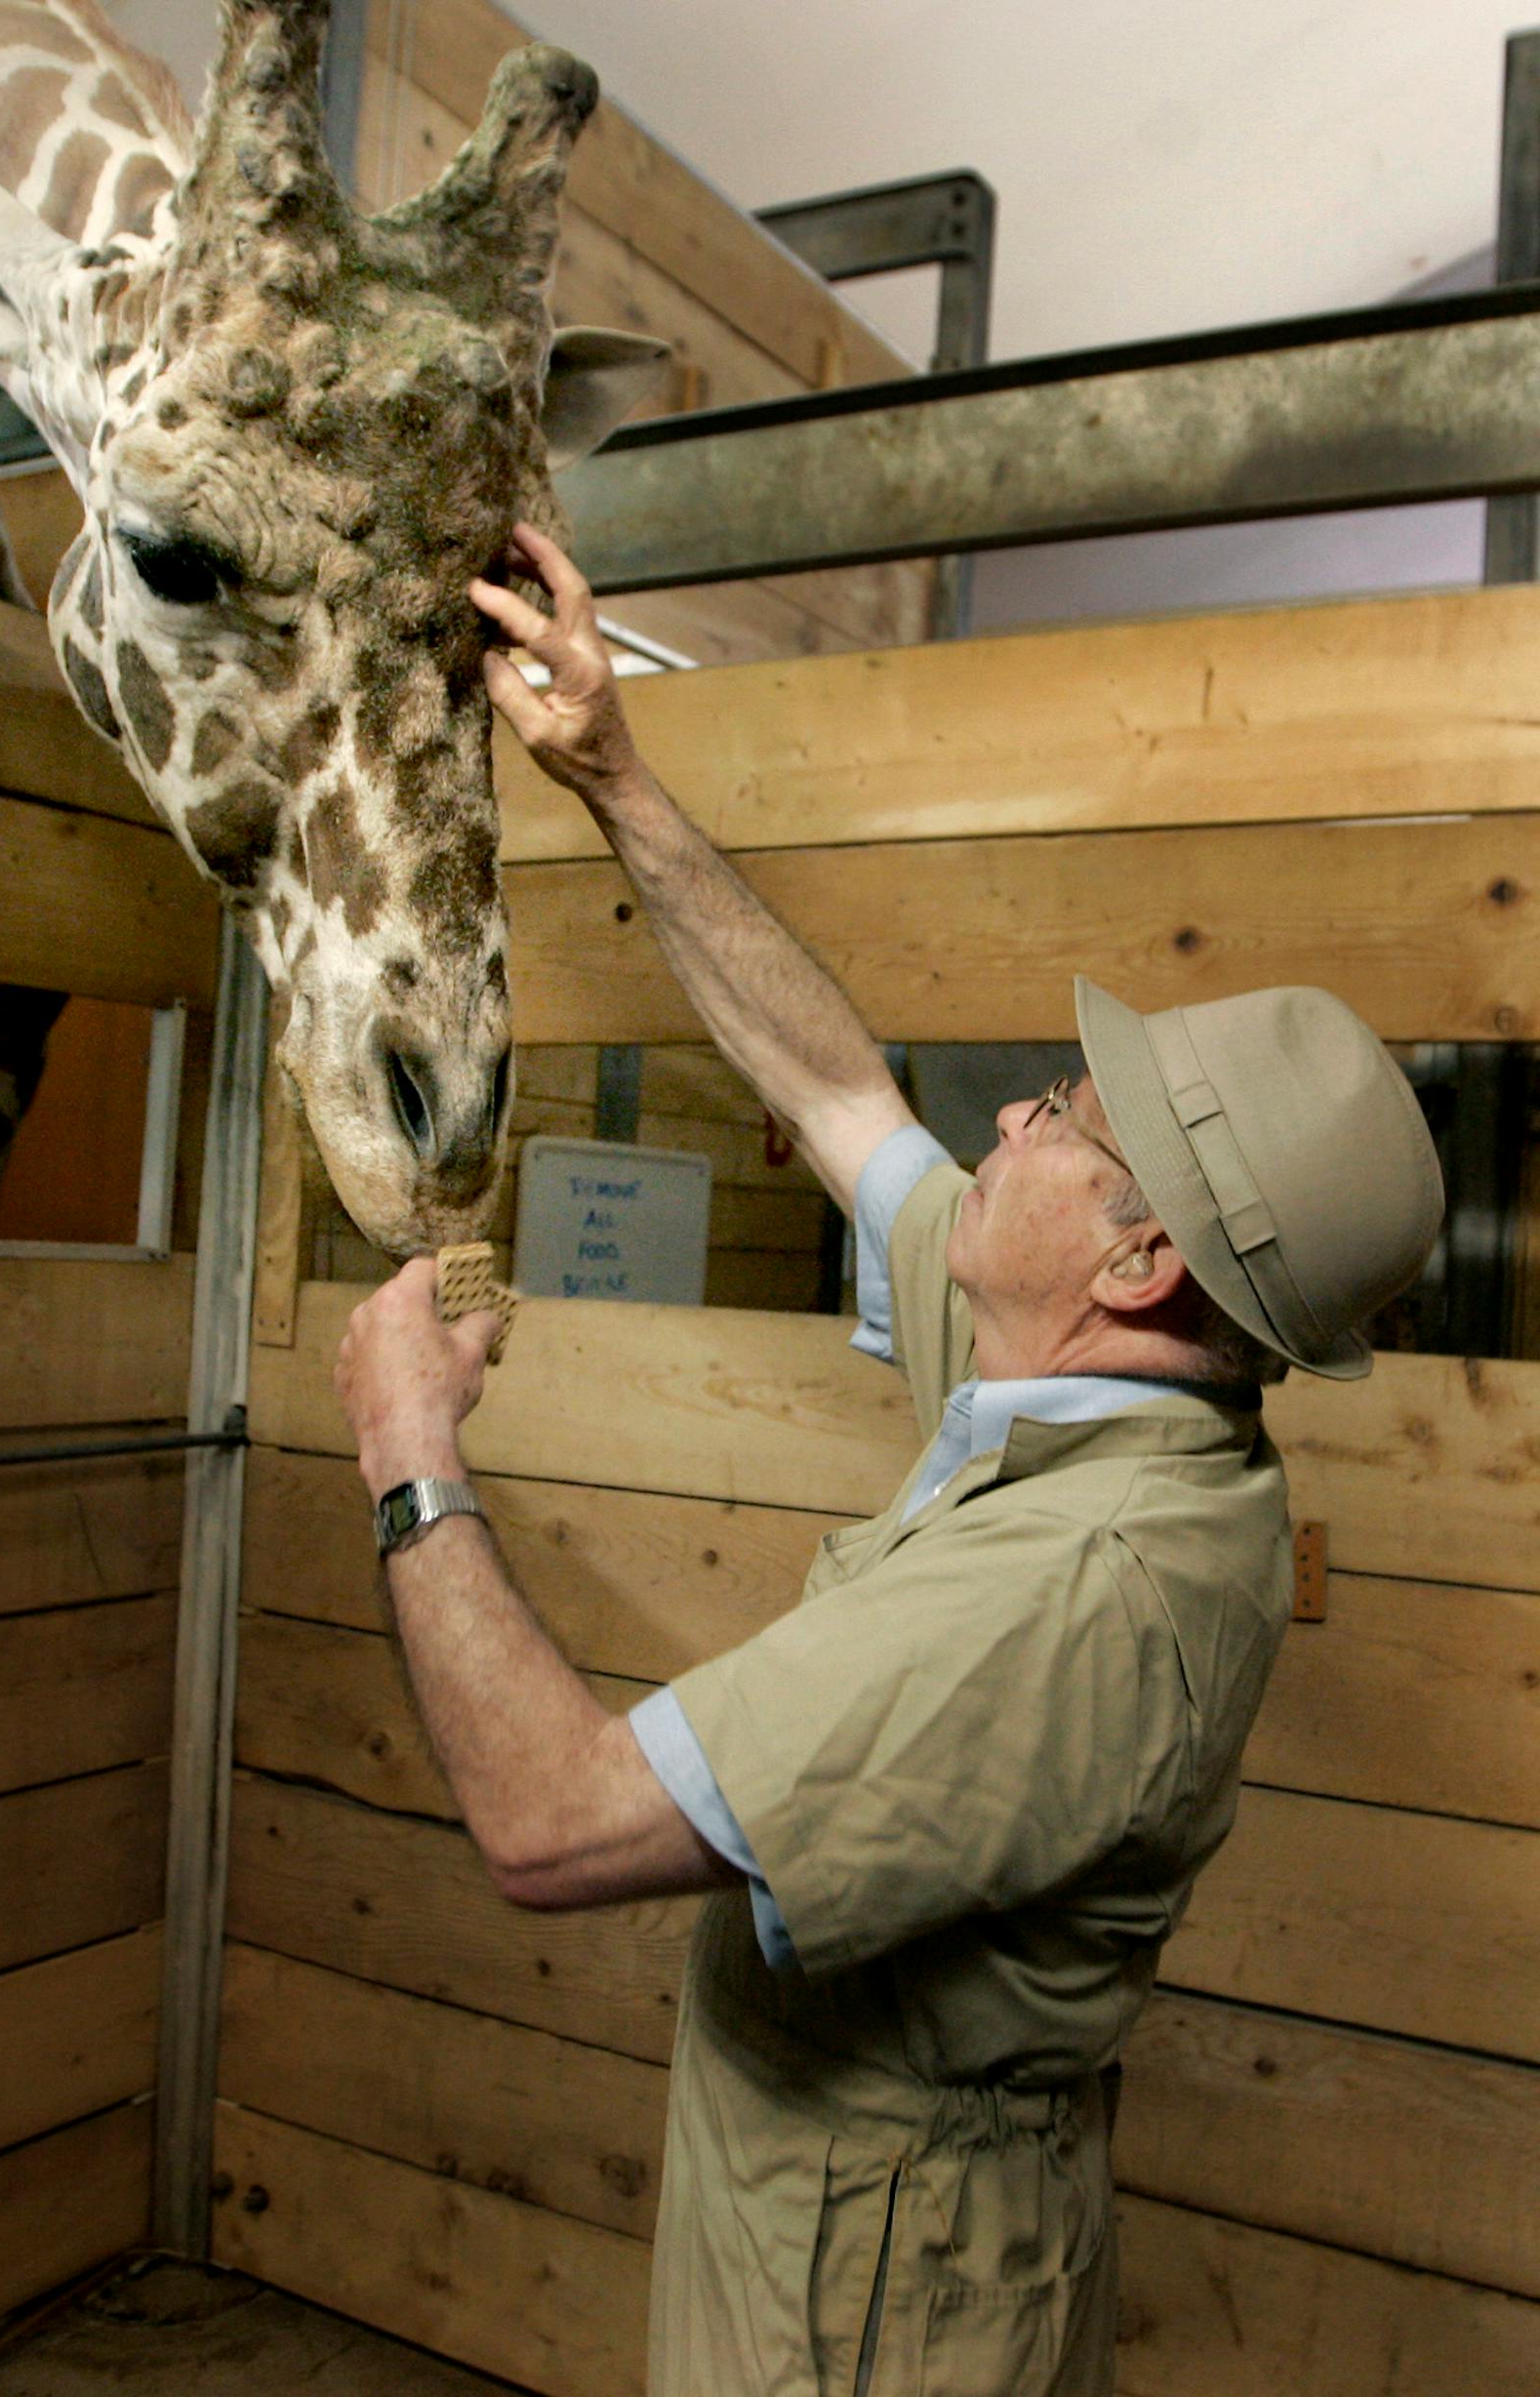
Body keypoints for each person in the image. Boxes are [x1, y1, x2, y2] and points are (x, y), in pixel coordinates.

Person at [333, 522, 1444, 2397]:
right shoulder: (1098, 1392)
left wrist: (409, 1460)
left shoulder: (1079, 1591)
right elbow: (831, 1085)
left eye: (1062, 1121)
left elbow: (555, 1822)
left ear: (1135, 1260)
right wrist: (615, 776)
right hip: (849, 2215)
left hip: (878, 2301)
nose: (1005, 1112)